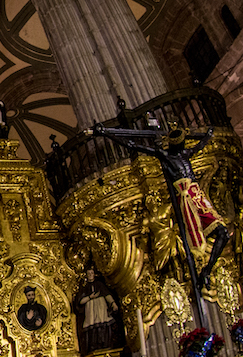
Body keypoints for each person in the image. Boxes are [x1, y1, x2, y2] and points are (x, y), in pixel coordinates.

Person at [93, 124, 230, 294]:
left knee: (223, 233)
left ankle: (207, 271)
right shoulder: (165, 155)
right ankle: (201, 274)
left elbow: (199, 146)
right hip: (186, 199)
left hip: (197, 196)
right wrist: (106, 133)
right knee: (192, 244)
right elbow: (133, 146)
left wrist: (209, 135)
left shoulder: (186, 153)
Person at [73, 269, 119, 353]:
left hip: (101, 307)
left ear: (94, 274)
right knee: (92, 327)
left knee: (103, 324)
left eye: (92, 273)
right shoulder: (85, 288)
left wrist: (113, 303)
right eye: (88, 273)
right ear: (86, 275)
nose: (90, 275)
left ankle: (105, 343)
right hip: (90, 310)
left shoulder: (99, 285)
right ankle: (94, 345)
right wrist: (90, 297)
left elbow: (107, 294)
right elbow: (80, 301)